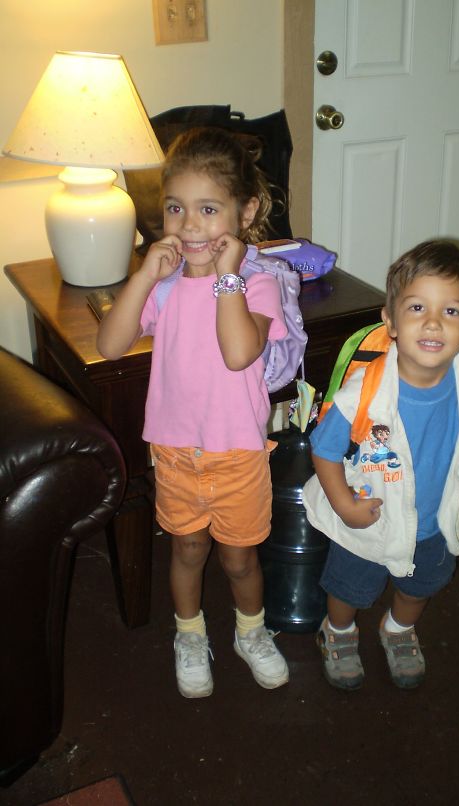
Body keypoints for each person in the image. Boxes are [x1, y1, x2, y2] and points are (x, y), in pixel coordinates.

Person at [97, 127, 289, 697]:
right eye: (176, 209)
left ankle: (250, 632)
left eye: (209, 209)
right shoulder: (163, 288)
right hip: (177, 451)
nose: (190, 225)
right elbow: (110, 345)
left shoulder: (257, 283)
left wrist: (226, 276)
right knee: (186, 548)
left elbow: (238, 353)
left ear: (245, 210)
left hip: (237, 454)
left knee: (238, 558)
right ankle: (188, 634)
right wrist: (144, 276)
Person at [303, 240, 459, 690]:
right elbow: (324, 450)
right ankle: (338, 632)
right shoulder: (363, 394)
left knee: (421, 584)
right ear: (389, 321)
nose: (432, 322)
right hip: (370, 515)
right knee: (350, 589)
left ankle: (399, 630)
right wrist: (345, 504)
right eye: (416, 308)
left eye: (451, 312)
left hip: (432, 518)